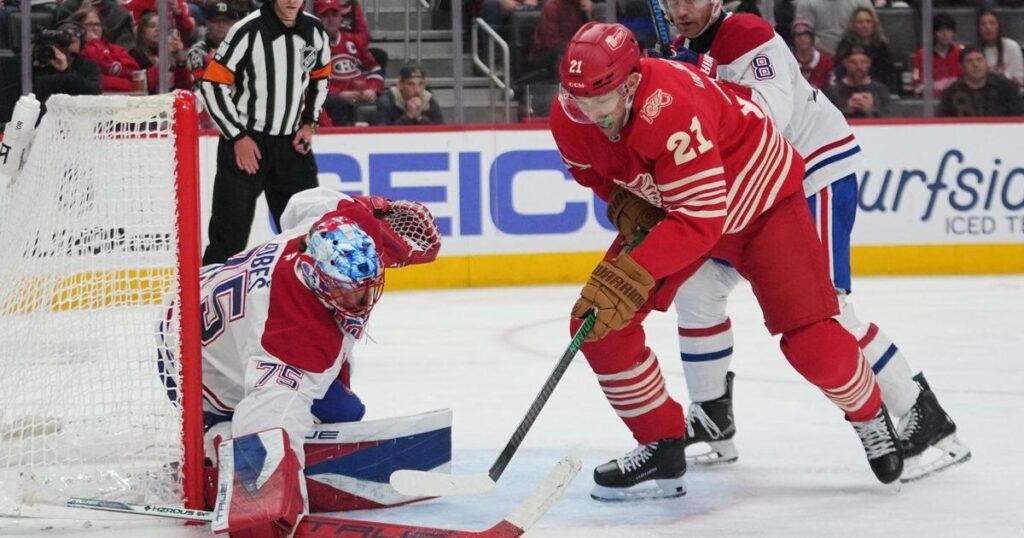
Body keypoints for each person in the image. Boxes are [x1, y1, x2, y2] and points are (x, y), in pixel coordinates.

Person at [552, 22, 904, 500]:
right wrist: (624, 205)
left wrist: (632, 273)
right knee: (596, 324)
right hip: (681, 209)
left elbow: (700, 222)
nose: (590, 115)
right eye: (578, 101)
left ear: (631, 84)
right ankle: (661, 444)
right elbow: (600, 176)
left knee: (811, 341)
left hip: (762, 206)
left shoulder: (670, 108)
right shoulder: (569, 118)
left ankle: (869, 414)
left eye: (601, 101)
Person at [661, 1, 969, 481]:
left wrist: (697, 84)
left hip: (810, 176)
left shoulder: (747, 35)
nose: (681, 8)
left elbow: (769, 115)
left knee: (827, 312)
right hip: (755, 191)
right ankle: (712, 418)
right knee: (699, 287)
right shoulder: (684, 52)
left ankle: (924, 416)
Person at [165, 187, 441, 536]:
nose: (363, 302)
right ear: (315, 277)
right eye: (349, 293)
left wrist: (371, 207)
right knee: (299, 410)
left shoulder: (343, 222)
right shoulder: (294, 337)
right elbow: (268, 418)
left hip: (204, 291)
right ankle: (216, 439)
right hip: (187, 356)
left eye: (368, 288)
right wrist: (263, 504)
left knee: (344, 408)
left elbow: (300, 204)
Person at [198, 0, 331, 265]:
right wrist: (237, 136)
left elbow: (321, 77)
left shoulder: (314, 30)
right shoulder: (247, 30)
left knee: (308, 233)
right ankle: (210, 289)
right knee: (228, 235)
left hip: (291, 145)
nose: (291, 1)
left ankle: (309, 287)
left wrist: (309, 123)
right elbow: (212, 85)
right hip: (247, 143)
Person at [316, 0, 384, 126]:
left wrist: (372, 89)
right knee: (334, 102)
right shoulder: (313, 45)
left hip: (361, 93)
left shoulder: (354, 41)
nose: (330, 20)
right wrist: (339, 94)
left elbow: (374, 69)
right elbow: (313, 81)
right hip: (334, 99)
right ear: (318, 19)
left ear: (341, 18)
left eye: (334, 15)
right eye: (325, 16)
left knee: (385, 102)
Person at [187, 1, 239, 127]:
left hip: (235, 109)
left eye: (225, 22)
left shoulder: (239, 50)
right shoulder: (197, 51)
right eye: (216, 21)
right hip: (205, 112)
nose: (220, 25)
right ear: (207, 24)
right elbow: (200, 86)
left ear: (232, 25)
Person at [939, 45, 1024, 117]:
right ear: (961, 67)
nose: (976, 65)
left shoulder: (1006, 87)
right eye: (969, 61)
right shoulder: (951, 93)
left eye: (979, 60)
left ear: (986, 63)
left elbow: (1018, 116)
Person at [31, 20, 102, 105]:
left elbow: (94, 94)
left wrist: (66, 70)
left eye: (73, 40)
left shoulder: (88, 66)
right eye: (63, 38)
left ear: (81, 43)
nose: (67, 42)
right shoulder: (43, 62)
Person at [75, 7, 143, 92]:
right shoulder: (77, 49)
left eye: (97, 24)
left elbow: (134, 73)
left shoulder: (115, 48)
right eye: (89, 24)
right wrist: (95, 42)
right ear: (79, 28)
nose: (95, 28)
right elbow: (94, 77)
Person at [526, 0, 593, 81]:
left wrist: (589, 14)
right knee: (562, 52)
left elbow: (589, 36)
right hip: (545, 55)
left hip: (572, 49)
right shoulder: (552, 7)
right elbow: (551, 42)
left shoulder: (579, 6)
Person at [833, 6, 896, 92]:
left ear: (874, 24)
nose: (864, 25)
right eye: (860, 22)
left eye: (868, 21)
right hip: (849, 90)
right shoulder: (845, 46)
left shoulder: (882, 47)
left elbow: (889, 74)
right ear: (853, 25)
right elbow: (840, 73)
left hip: (877, 89)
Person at [130, 11, 193, 93]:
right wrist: (165, 61)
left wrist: (180, 60)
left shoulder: (171, 51)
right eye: (152, 26)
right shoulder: (134, 54)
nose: (158, 29)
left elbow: (185, 88)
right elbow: (143, 86)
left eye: (161, 26)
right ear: (142, 31)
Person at [824, 44, 891, 117]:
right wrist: (847, 110)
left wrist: (871, 111)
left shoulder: (881, 90)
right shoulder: (832, 92)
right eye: (853, 62)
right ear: (845, 63)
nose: (859, 67)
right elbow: (825, 118)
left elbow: (891, 117)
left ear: (869, 63)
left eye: (863, 62)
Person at [373, 63, 444, 125]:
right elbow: (383, 134)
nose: (417, 90)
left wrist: (420, 118)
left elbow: (441, 132)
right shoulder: (386, 103)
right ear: (401, 84)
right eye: (411, 84)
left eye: (420, 84)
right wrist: (408, 116)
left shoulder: (430, 103)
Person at [793, 0, 872, 55]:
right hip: (819, 56)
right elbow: (803, 33)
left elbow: (873, 28)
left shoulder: (862, 1)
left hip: (856, 54)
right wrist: (831, 54)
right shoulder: (807, 2)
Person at [912, 13, 963, 97]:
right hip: (932, 100)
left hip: (958, 98)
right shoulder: (921, 55)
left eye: (948, 30)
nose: (945, 34)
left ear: (953, 33)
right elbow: (917, 86)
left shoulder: (961, 52)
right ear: (933, 33)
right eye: (940, 31)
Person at [55, 0, 136, 50]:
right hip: (75, 60)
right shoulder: (69, 7)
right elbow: (61, 35)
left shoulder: (119, 13)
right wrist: (80, 13)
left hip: (110, 61)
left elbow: (126, 48)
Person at [976, 9, 1024, 87]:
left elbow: (1018, 77)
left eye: (992, 23)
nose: (988, 27)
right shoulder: (974, 50)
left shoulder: (1012, 46)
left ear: (999, 26)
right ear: (978, 29)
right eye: (983, 24)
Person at [791, 18, 833, 90]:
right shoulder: (787, 61)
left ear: (812, 38)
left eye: (806, 35)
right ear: (793, 39)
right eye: (798, 36)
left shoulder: (826, 62)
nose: (802, 39)